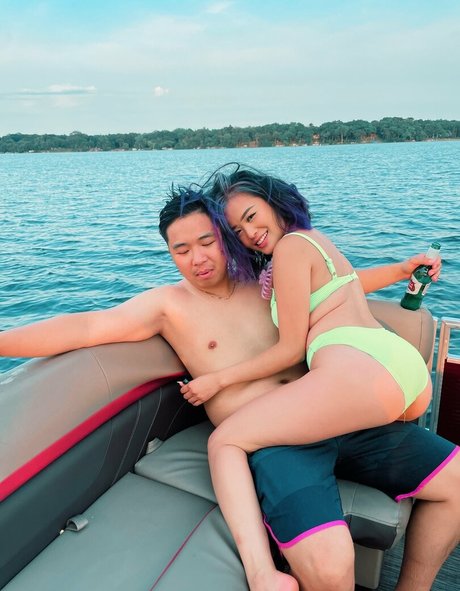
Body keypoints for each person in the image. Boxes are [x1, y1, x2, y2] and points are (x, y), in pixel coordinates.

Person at [1, 186, 457, 591]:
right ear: (169, 253)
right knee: (330, 566)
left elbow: (336, 284)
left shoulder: (265, 279)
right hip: (276, 444)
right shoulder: (167, 305)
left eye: (207, 242)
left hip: (333, 412)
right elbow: (87, 326)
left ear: (226, 238)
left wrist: (401, 269)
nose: (197, 258)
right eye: (181, 249)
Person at [177, 167, 459, 591]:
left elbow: (290, 350)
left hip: (355, 367)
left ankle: (262, 574)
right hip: (397, 367)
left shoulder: (290, 248)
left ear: (274, 201)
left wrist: (217, 381)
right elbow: (348, 282)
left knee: (224, 442)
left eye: (252, 216)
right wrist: (402, 269)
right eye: (236, 230)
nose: (250, 233)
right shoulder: (312, 240)